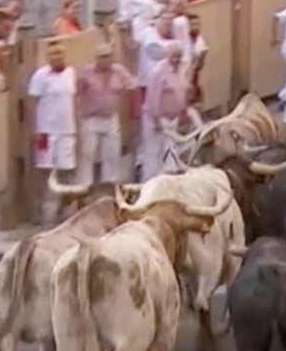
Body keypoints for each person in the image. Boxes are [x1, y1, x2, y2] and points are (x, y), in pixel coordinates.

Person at [27, 40, 79, 224]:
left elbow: (74, 101)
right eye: (52, 54)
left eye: (59, 54)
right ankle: (37, 208)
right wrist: (34, 128)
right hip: (46, 132)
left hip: (67, 130)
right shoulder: (40, 76)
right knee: (43, 171)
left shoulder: (71, 73)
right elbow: (32, 103)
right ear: (48, 57)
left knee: (67, 171)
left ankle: (63, 209)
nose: (56, 58)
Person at [75, 43, 136, 188]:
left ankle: (110, 186)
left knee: (112, 154)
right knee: (87, 154)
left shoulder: (119, 71)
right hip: (90, 118)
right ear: (97, 58)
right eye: (103, 56)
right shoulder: (86, 72)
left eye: (109, 56)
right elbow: (77, 92)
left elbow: (132, 86)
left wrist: (132, 112)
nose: (106, 59)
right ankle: (84, 186)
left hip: (110, 117)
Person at [141, 42, 192, 179]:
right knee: (154, 153)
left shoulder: (181, 71)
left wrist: (183, 111)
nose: (176, 59)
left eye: (178, 56)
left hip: (172, 119)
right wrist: (155, 120)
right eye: (173, 56)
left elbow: (183, 92)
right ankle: (148, 183)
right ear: (167, 56)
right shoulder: (158, 72)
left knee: (171, 152)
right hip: (157, 118)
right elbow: (153, 97)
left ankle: (169, 181)